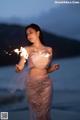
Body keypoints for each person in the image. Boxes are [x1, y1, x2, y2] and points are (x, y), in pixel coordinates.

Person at [16, 23, 60, 120]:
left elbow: (46, 69)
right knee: (36, 112)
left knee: (45, 111)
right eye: (27, 34)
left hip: (46, 84)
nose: (28, 36)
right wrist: (18, 68)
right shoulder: (26, 49)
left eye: (30, 32)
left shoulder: (49, 50)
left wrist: (53, 68)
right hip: (32, 84)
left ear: (38, 33)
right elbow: (21, 64)